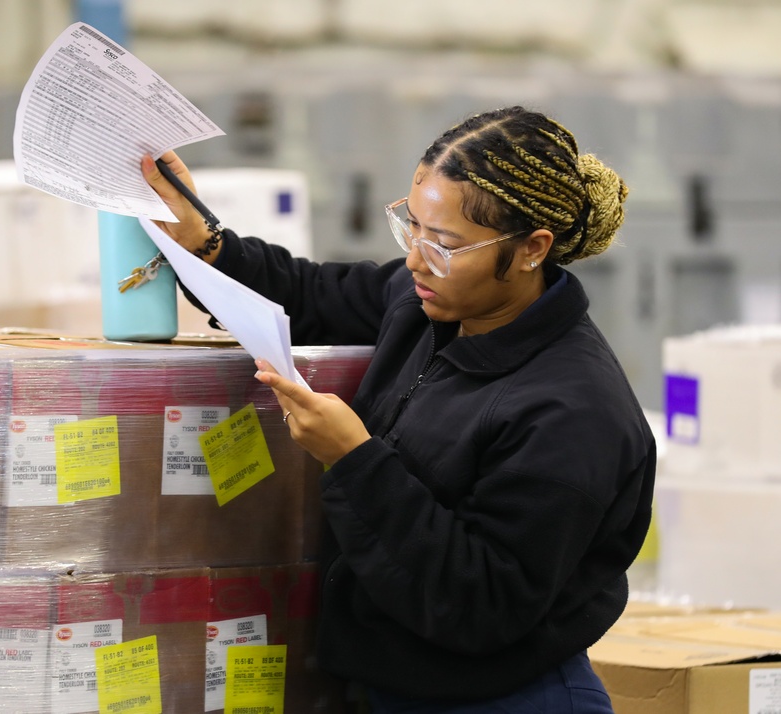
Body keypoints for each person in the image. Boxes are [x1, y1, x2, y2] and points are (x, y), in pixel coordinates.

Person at [142, 105, 656, 714]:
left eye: (443, 243)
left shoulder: (573, 414)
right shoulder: (426, 305)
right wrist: (206, 242)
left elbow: (481, 603)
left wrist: (353, 459)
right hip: (393, 691)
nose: (415, 258)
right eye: (411, 227)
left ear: (531, 249)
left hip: (507, 700)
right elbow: (308, 294)